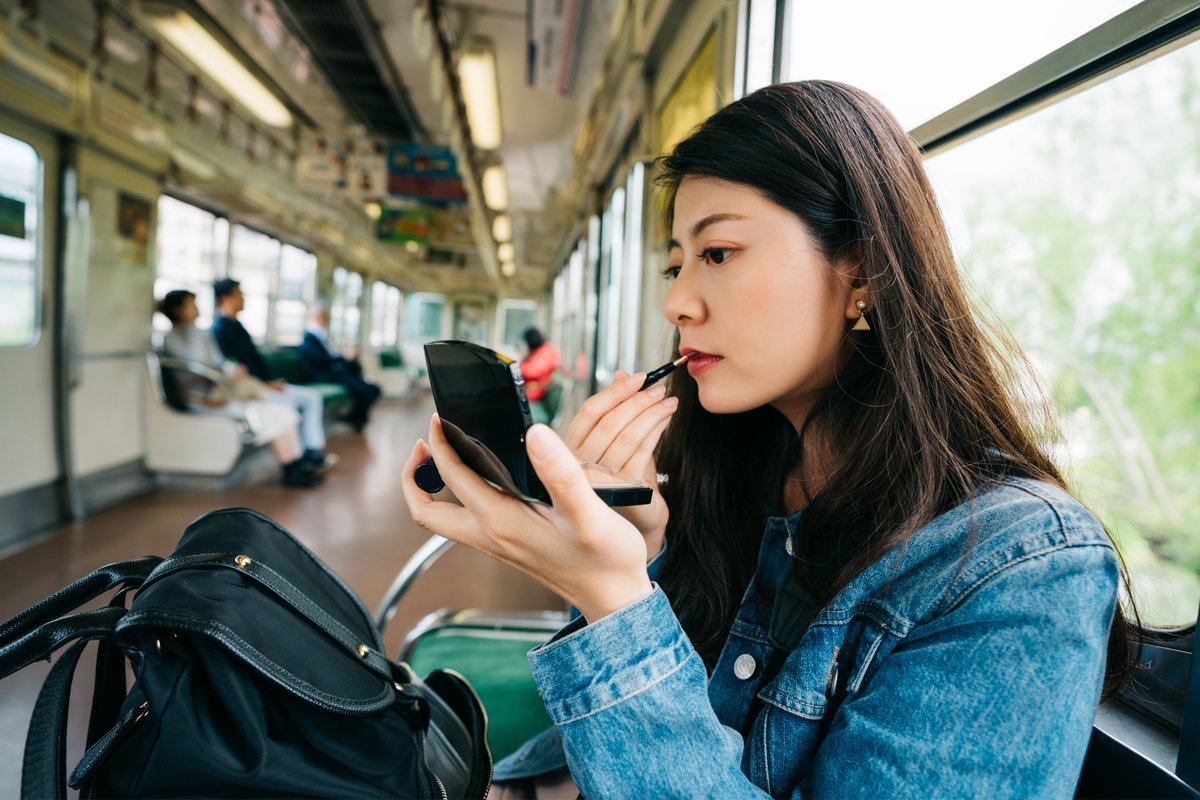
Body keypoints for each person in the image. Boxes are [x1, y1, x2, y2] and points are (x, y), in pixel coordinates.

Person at [401, 81, 1137, 798]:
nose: (676, 301)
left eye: (718, 253)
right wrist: (645, 552)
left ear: (865, 270)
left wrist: (613, 601)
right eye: (674, 263)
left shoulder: (1025, 566)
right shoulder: (720, 472)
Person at [156, 290, 323, 488]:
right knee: (261, 413)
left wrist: (233, 370)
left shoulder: (201, 333)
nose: (197, 309)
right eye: (192, 304)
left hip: (221, 393)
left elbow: (218, 362)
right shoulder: (172, 338)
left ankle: (293, 465)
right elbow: (196, 370)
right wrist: (224, 374)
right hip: (203, 399)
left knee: (280, 411)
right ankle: (291, 468)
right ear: (178, 310)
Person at [210, 279, 335, 470]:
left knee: (311, 398)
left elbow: (257, 360)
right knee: (288, 405)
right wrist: (265, 383)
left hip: (264, 384)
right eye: (239, 294)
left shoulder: (238, 327)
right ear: (225, 299)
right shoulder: (220, 330)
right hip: (250, 387)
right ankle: (297, 458)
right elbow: (236, 367)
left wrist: (272, 380)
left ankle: (312, 450)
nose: (243, 298)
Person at [297, 303, 381, 432]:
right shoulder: (310, 339)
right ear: (314, 318)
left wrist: (348, 359)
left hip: (336, 372)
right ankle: (357, 418)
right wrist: (345, 359)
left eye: (325, 318)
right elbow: (323, 361)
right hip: (325, 376)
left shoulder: (323, 337)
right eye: (322, 318)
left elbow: (333, 357)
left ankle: (356, 417)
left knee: (373, 389)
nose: (324, 322)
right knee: (365, 390)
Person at [518, 327, 560, 425]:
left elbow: (532, 371)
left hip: (535, 391)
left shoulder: (546, 352)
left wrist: (518, 367)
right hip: (532, 389)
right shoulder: (543, 350)